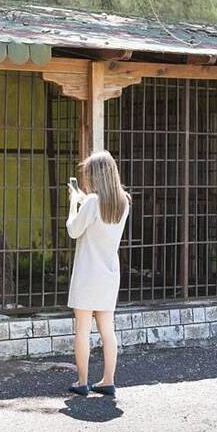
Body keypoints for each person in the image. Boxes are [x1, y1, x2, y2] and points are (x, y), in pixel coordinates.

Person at [66, 150, 130, 397]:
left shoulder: (92, 202)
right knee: (107, 330)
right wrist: (84, 200)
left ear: (96, 176)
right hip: (109, 273)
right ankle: (108, 380)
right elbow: (99, 217)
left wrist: (74, 203)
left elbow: (74, 229)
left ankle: (82, 381)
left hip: (87, 274)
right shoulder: (123, 201)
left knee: (83, 329)